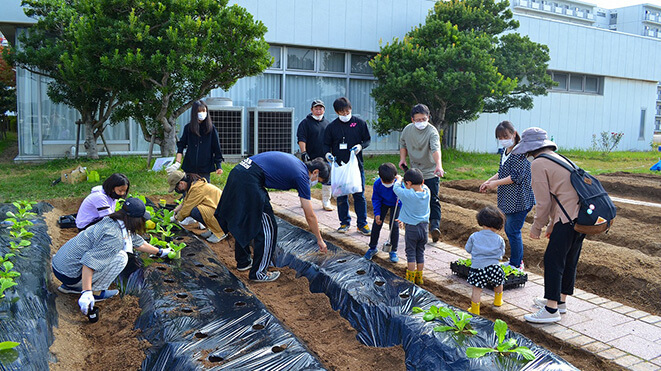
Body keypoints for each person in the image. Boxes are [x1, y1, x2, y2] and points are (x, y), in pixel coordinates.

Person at [216, 152, 330, 282]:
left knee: (246, 218)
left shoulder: (298, 164)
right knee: (269, 227)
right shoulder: (302, 176)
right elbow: (309, 215)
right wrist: (320, 239)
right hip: (249, 179)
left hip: (239, 172)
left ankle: (243, 262)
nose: (315, 183)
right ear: (315, 172)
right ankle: (259, 273)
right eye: (318, 181)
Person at [511, 127, 586, 324]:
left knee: (553, 259)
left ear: (529, 149)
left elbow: (543, 201)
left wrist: (537, 227)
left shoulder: (538, 164)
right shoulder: (559, 158)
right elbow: (560, 195)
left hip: (567, 218)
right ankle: (560, 301)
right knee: (568, 259)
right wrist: (552, 224)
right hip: (580, 217)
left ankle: (551, 309)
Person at [52, 198, 172, 316]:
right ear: (135, 220)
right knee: (121, 257)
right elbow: (89, 262)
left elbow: (137, 242)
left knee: (112, 254)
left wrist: (160, 252)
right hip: (69, 274)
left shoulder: (113, 221)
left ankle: (71, 287)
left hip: (60, 266)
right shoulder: (114, 237)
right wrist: (87, 292)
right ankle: (96, 292)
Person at [479, 121, 535, 270]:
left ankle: (517, 263)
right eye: (500, 137)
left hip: (520, 199)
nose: (503, 139)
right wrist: (489, 181)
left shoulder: (521, 152)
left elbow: (516, 176)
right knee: (510, 229)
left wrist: (495, 184)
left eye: (505, 136)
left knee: (513, 230)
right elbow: (502, 171)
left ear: (514, 134)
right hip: (508, 199)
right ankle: (515, 261)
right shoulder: (505, 151)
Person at [323, 97, 371, 235]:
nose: (345, 114)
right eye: (341, 112)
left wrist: (360, 147)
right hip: (339, 165)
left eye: (346, 111)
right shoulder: (332, 127)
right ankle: (344, 222)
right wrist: (327, 154)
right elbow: (326, 143)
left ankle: (362, 223)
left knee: (359, 194)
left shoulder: (359, 123)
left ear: (350, 109)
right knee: (341, 194)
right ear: (336, 112)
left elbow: (367, 140)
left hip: (355, 165)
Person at [399, 104, 444, 243]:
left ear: (428, 117)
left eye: (424, 119)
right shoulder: (407, 130)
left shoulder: (432, 132)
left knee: (433, 200)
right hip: (415, 172)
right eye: (418, 120)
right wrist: (402, 159)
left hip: (430, 171)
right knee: (412, 198)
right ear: (412, 120)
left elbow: (436, 149)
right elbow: (403, 145)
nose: (421, 122)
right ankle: (412, 224)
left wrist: (438, 165)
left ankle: (434, 227)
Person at [166, 100, 224, 182]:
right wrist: (177, 163)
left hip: (205, 167)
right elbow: (181, 145)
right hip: (190, 166)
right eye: (199, 111)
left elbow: (216, 148)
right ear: (194, 113)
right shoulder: (188, 128)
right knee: (188, 190)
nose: (202, 113)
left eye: (204, 111)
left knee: (204, 191)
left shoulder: (211, 129)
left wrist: (219, 166)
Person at [465, 206, 506, 316]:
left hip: (478, 268)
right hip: (494, 267)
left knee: (477, 289)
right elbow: (501, 254)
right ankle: (498, 301)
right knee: (499, 283)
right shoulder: (499, 239)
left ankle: (475, 309)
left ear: (481, 221)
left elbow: (468, 249)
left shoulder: (474, 236)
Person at [393, 168, 430, 285]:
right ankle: (419, 277)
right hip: (424, 228)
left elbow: (396, 188)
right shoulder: (427, 191)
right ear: (422, 182)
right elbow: (419, 187)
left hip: (412, 228)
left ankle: (410, 278)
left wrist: (398, 180)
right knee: (420, 252)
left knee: (411, 253)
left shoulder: (408, 194)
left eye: (406, 183)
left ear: (408, 183)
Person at [167, 171, 225, 243]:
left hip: (223, 214)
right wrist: (174, 211)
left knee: (195, 211)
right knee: (197, 210)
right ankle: (213, 230)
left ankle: (220, 232)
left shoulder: (196, 188)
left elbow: (186, 208)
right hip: (217, 210)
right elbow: (185, 202)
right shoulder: (193, 185)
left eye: (176, 187)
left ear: (181, 183)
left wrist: (175, 218)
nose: (177, 190)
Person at [297, 99, 333, 211]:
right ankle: (305, 200)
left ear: (324, 110)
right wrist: (303, 152)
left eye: (320, 108)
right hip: (311, 157)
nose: (318, 111)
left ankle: (326, 201)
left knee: (328, 179)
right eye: (316, 108)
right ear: (312, 110)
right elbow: (301, 138)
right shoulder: (305, 123)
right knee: (306, 179)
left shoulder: (328, 124)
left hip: (325, 157)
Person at [364, 163, 401, 263]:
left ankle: (393, 250)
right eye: (385, 182)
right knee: (377, 223)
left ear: (395, 177)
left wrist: (401, 216)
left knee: (394, 225)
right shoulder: (377, 184)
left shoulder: (400, 184)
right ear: (380, 177)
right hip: (383, 203)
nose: (387, 184)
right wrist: (377, 214)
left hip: (396, 204)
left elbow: (403, 199)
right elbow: (376, 199)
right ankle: (372, 248)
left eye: (390, 182)